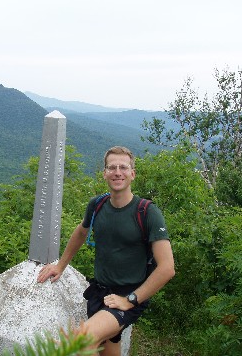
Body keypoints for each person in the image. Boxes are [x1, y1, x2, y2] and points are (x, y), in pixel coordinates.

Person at [37, 146, 175, 356]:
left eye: (123, 167)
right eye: (112, 167)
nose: (117, 172)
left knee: (81, 341)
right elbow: (81, 232)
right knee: (101, 349)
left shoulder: (147, 212)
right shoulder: (98, 204)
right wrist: (60, 266)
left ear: (132, 174)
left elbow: (167, 268)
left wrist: (130, 300)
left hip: (128, 295)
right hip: (99, 293)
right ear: (104, 173)